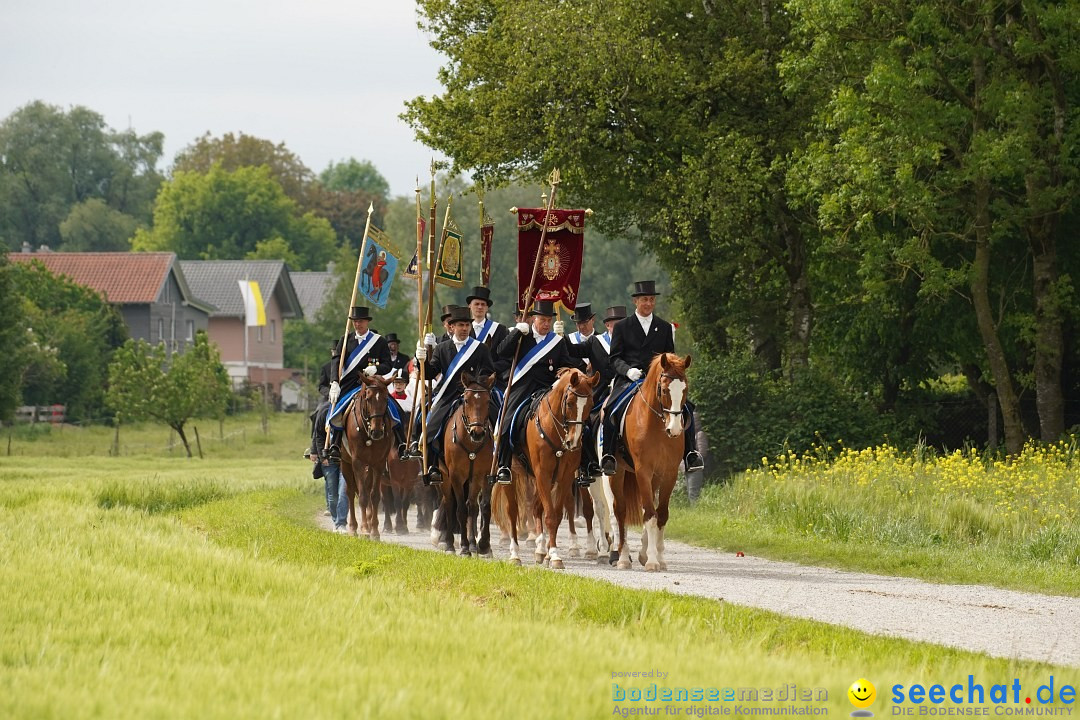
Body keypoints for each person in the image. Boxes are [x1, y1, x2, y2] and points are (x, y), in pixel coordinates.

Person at [599, 281, 704, 475]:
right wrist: (628, 371)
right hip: (630, 379)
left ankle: (690, 453)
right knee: (610, 408)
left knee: (687, 407)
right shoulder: (622, 326)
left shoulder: (663, 327)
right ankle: (609, 456)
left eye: (651, 299)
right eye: (644, 300)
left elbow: (670, 357)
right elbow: (614, 358)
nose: (648, 303)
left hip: (660, 380)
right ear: (636, 301)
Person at [492, 300, 578, 484]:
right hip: (522, 387)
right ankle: (504, 465)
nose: (546, 324)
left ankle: (579, 464)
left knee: (575, 419)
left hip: (547, 388)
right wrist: (516, 332)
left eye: (549, 320)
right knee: (506, 421)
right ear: (533, 319)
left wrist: (565, 375)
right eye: (542, 320)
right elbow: (501, 352)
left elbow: (567, 364)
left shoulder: (556, 341)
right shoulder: (522, 335)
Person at [413, 306, 499, 485]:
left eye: (467, 325)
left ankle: (498, 463)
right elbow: (430, 373)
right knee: (429, 429)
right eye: (461, 325)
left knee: (498, 419)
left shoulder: (480, 348)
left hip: (475, 395)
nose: (465, 328)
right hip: (449, 395)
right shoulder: (442, 348)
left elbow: (489, 371)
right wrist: (420, 359)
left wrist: (474, 384)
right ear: (452, 327)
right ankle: (433, 466)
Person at [327, 306, 402, 461]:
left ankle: (402, 444)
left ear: (367, 322)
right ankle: (334, 445)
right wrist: (334, 382)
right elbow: (336, 362)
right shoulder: (346, 340)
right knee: (335, 411)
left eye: (360, 321)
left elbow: (388, 364)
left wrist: (376, 368)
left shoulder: (378, 341)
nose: (357, 324)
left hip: (373, 385)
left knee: (395, 407)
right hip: (350, 385)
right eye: (355, 321)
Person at [465, 285, 510, 388]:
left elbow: (506, 360)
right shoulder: (462, 329)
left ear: (487, 307)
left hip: (492, 382)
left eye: (483, 304)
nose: (480, 307)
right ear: (469, 306)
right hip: (466, 382)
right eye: (476, 304)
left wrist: (489, 369)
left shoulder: (500, 330)